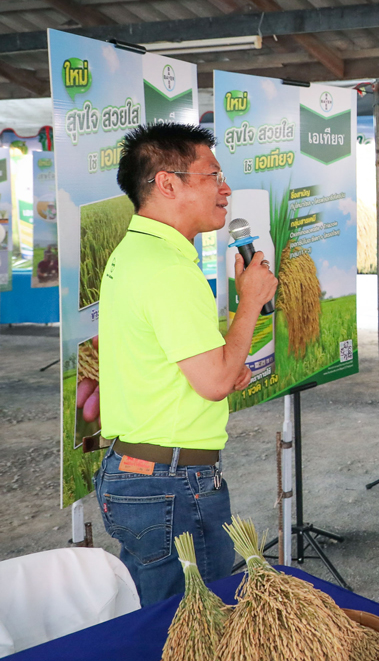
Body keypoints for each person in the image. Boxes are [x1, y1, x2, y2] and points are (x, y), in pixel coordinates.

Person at [93, 123, 277, 606]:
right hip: (171, 484)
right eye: (213, 175)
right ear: (168, 183)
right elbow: (216, 381)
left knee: (156, 620)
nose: (226, 188)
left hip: (140, 472)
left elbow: (194, 368)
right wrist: (250, 303)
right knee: (190, 629)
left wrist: (221, 365)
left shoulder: (136, 252)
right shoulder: (170, 269)